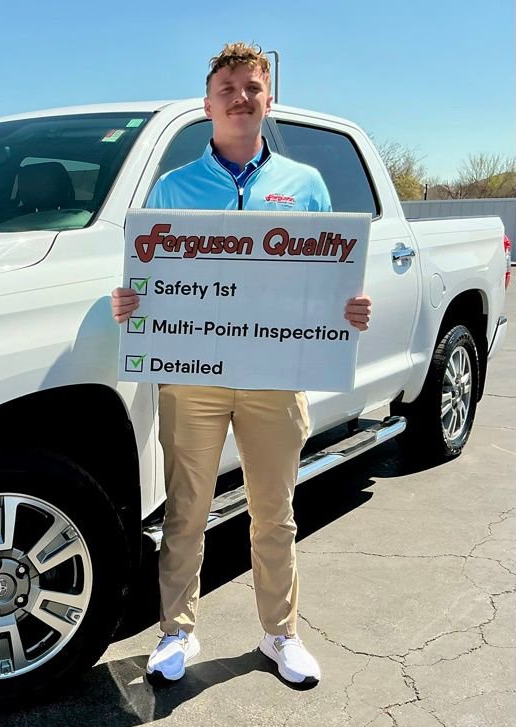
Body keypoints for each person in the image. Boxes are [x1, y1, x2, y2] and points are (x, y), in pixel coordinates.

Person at [111, 42, 372, 686]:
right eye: (227, 87)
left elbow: (325, 280)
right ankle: (177, 632)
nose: (239, 96)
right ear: (207, 104)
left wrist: (348, 308)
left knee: (273, 509)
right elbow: (154, 278)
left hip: (275, 378)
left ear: (267, 99)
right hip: (192, 379)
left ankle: (280, 635)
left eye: (252, 86)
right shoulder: (172, 189)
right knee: (186, 508)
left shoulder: (304, 185)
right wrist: (131, 301)